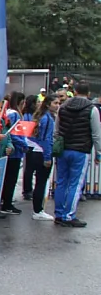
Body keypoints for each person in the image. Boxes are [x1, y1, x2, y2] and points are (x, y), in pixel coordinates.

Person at [53, 81, 101, 227]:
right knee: (75, 183)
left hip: (63, 150)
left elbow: (56, 130)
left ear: (73, 91)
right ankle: (69, 215)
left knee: (61, 181)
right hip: (81, 151)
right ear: (88, 93)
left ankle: (59, 214)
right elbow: (96, 134)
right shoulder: (92, 109)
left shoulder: (63, 107)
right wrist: (99, 153)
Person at [21, 95, 56, 221]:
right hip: (41, 152)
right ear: (48, 104)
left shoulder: (39, 116)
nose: (57, 105)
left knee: (38, 181)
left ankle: (38, 209)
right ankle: (38, 210)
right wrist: (47, 156)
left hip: (33, 150)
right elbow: (46, 139)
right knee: (41, 182)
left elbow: (31, 135)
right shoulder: (47, 118)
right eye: (55, 103)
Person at [0, 92, 27, 215]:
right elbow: (13, 133)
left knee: (8, 178)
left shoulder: (9, 113)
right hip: (14, 152)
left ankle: (6, 201)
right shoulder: (14, 114)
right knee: (11, 178)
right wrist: (23, 145)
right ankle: (7, 203)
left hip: (12, 150)